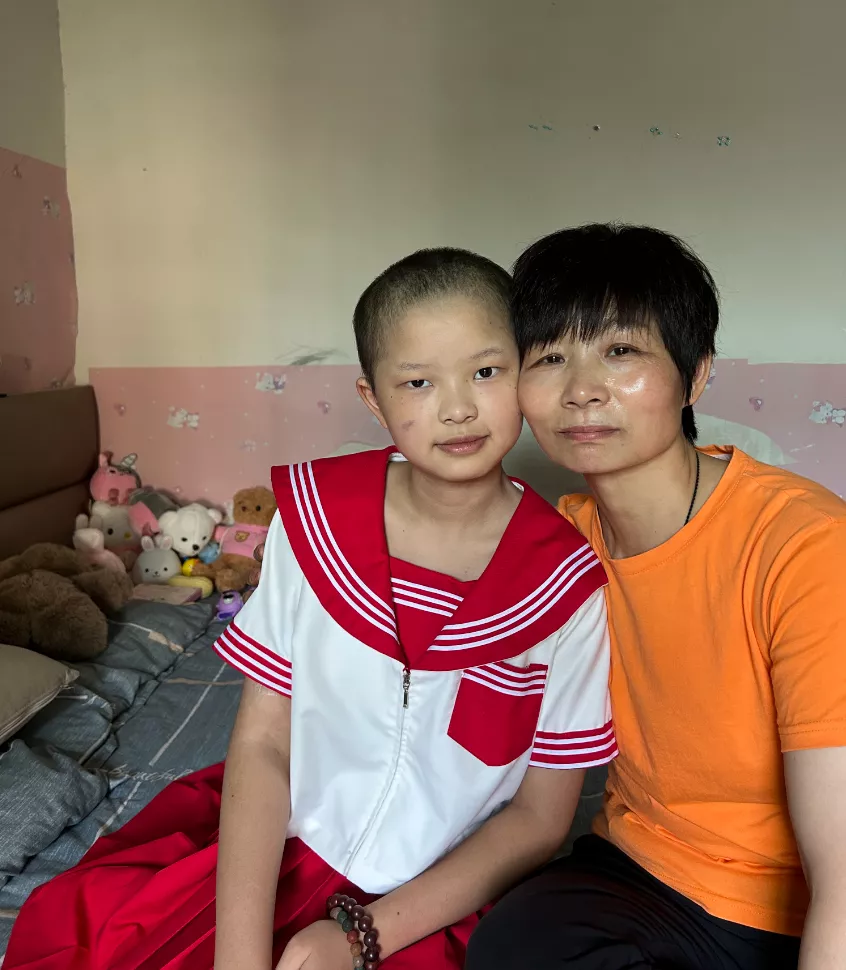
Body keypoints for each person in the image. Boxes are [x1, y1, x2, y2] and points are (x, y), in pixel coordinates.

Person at [5, 248, 616, 970]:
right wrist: (240, 958)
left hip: (443, 896)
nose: (457, 408)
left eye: (486, 371)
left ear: (528, 373)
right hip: (287, 845)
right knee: (98, 939)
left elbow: (540, 819)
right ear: (373, 399)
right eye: (418, 382)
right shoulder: (315, 523)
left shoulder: (568, 583)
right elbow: (265, 742)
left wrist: (360, 938)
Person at [466, 224, 846, 970]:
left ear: (694, 376)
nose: (582, 390)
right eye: (549, 358)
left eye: (621, 350)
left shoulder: (805, 545)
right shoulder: (559, 545)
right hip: (641, 866)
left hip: (786, 902)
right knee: (508, 948)